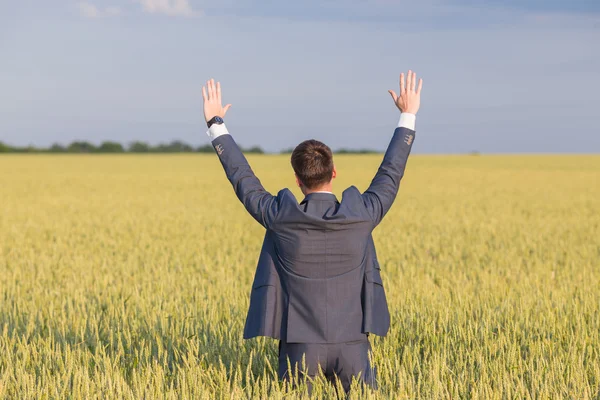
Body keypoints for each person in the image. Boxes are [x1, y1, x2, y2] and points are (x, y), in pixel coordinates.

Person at [202, 71, 422, 394]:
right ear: (334, 172)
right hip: (353, 347)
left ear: (297, 179)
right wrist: (408, 115)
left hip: (300, 348)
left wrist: (215, 124)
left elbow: (243, 180)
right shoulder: (361, 214)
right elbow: (391, 174)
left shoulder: (280, 217)